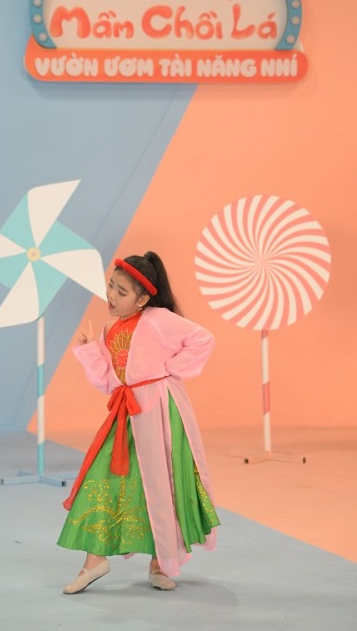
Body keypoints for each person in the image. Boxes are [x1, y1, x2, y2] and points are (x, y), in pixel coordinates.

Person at [57, 251, 220, 594]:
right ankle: (95, 560)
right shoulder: (109, 329)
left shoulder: (159, 319)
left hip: (161, 413)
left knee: (164, 482)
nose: (111, 297)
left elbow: (203, 338)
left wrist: (169, 370)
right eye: (110, 287)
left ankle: (161, 562)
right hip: (127, 413)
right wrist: (89, 351)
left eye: (121, 292)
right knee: (104, 478)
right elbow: (109, 381)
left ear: (143, 299)